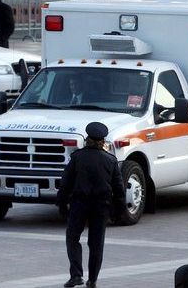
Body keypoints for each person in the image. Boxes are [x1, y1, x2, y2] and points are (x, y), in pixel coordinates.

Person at [57, 122, 126, 288]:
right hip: (101, 207)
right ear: (103, 141)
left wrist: (61, 203)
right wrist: (119, 210)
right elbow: (119, 189)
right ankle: (93, 279)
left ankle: (76, 275)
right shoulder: (111, 160)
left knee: (72, 238)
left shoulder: (77, 157)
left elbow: (65, 183)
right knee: (96, 244)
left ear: (87, 139)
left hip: (79, 205)